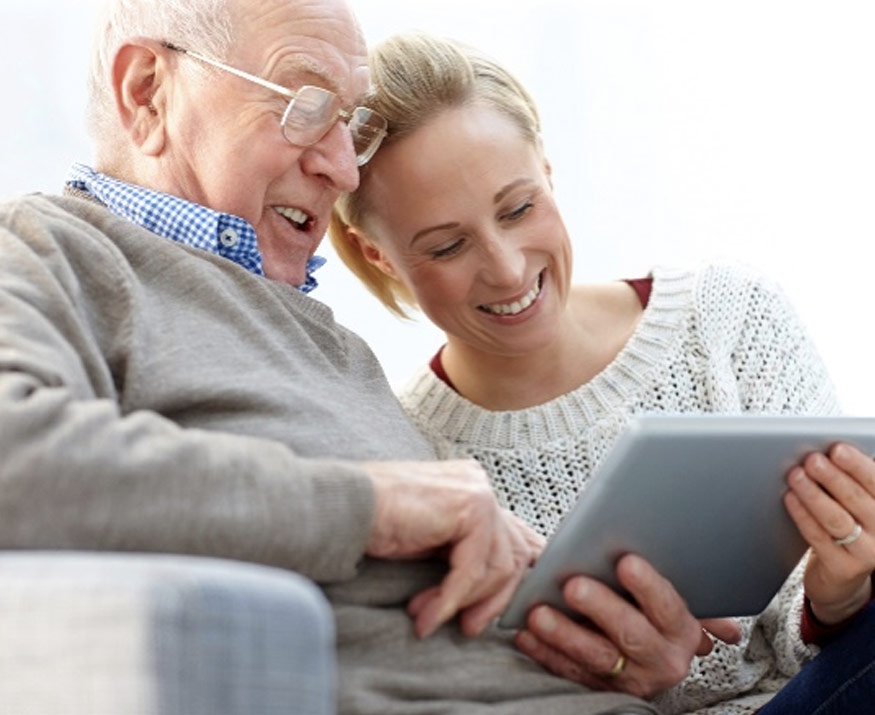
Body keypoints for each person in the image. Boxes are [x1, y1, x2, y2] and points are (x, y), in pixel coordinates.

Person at [0, 1, 741, 714]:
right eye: (304, 105)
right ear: (147, 92)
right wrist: (373, 504)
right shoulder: (44, 249)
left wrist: (606, 637)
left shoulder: (323, 337)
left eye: (348, 121)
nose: (344, 170)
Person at [329, 31, 875, 714]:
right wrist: (598, 687)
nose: (504, 268)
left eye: (518, 207)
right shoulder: (408, 453)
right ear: (376, 255)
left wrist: (838, 592)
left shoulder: (729, 318)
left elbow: (811, 646)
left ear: (548, 172)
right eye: (446, 244)